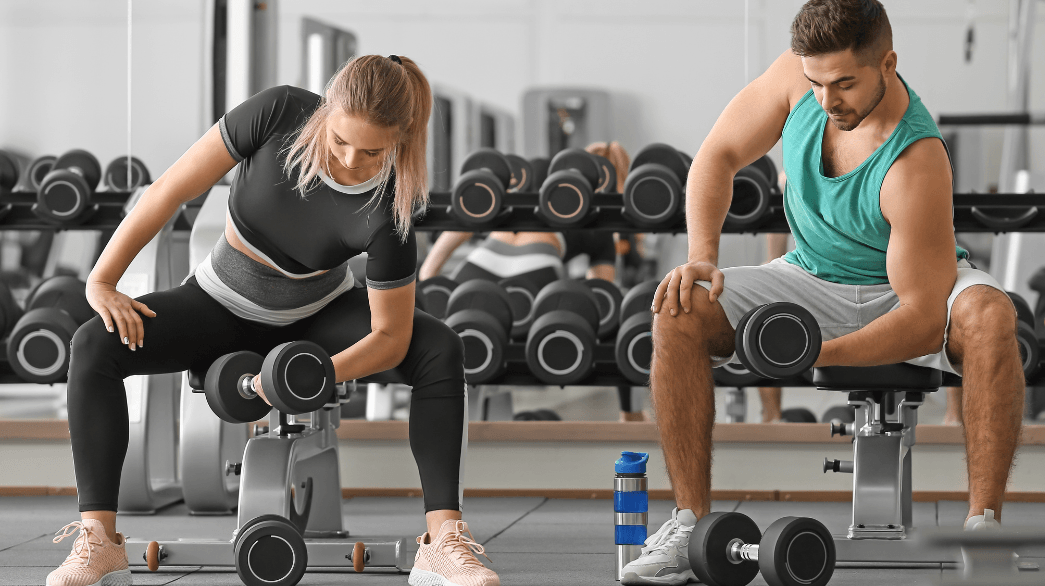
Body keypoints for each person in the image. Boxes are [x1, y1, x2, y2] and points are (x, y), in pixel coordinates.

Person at [620, 0, 1024, 585]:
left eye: (843, 84)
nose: (825, 99)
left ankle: (984, 527)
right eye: (815, 82)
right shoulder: (798, 77)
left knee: (991, 315)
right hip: (807, 277)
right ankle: (690, 525)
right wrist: (702, 257)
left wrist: (811, 356)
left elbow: (918, 315)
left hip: (909, 288)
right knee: (679, 310)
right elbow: (717, 156)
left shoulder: (915, 159)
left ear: (886, 64)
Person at [47, 56, 500, 586]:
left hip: (318, 318)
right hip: (217, 304)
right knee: (94, 343)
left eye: (372, 151)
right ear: (325, 110)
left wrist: (311, 373)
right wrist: (102, 281)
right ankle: (99, 542)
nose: (352, 161)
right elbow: (170, 189)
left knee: (438, 346)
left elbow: (391, 338)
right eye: (339, 142)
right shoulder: (277, 112)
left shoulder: (389, 214)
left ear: (399, 141)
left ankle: (442, 541)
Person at [420, 142, 648, 422]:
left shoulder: (539, 171)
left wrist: (429, 273)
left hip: (480, 263)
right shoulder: (603, 221)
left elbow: (471, 213)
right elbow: (600, 306)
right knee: (619, 332)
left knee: (467, 341)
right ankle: (631, 414)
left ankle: (462, 420)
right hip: (534, 274)